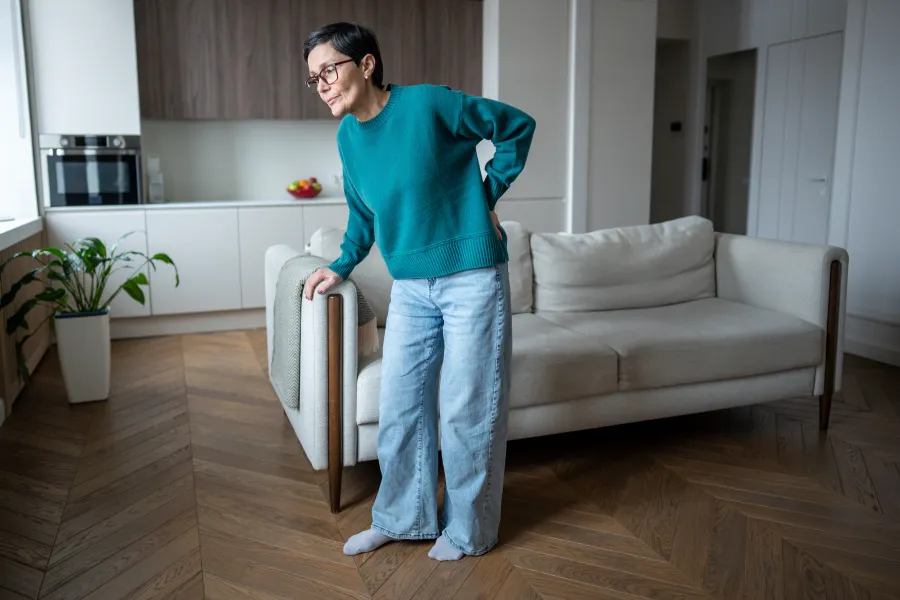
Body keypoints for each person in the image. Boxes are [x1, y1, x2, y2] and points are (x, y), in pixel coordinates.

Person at [302, 22, 535, 561]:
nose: (322, 85)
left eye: (329, 70)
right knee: (401, 407)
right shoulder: (348, 137)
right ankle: (401, 518)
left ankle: (468, 531)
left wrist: (487, 195)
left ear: (366, 64)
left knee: (467, 408)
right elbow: (363, 214)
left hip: (472, 277)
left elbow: (516, 128)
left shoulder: (429, 104)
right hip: (410, 286)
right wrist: (340, 264)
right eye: (314, 78)